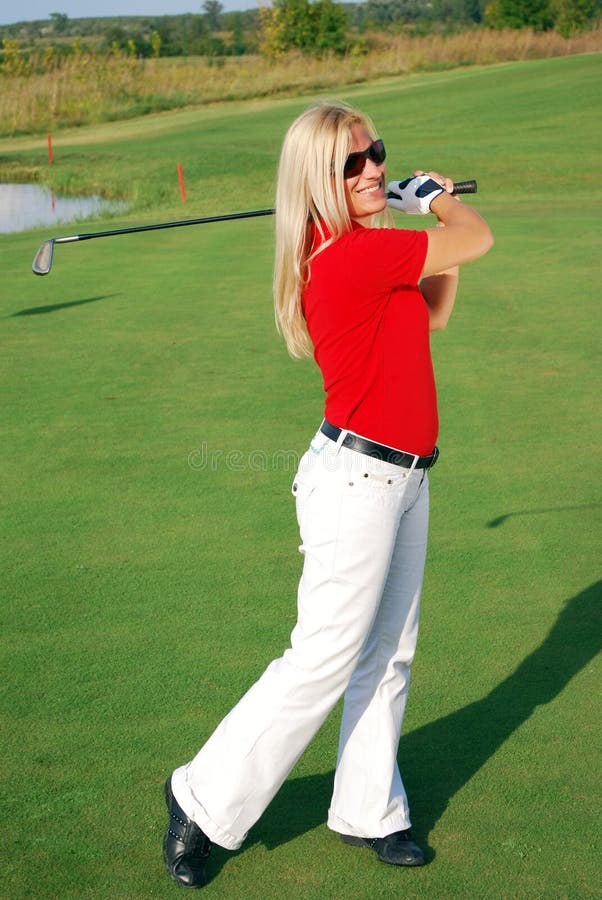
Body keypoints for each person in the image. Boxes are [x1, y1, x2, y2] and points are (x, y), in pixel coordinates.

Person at [163, 101, 493, 888]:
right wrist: (436, 198)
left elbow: (437, 309)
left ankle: (370, 809)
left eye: (377, 153)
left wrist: (409, 226)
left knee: (389, 652)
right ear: (319, 181)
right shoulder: (349, 259)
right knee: (321, 659)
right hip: (358, 482)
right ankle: (200, 798)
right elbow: (476, 238)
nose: (374, 168)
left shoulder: (368, 252)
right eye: (353, 165)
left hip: (406, 476)